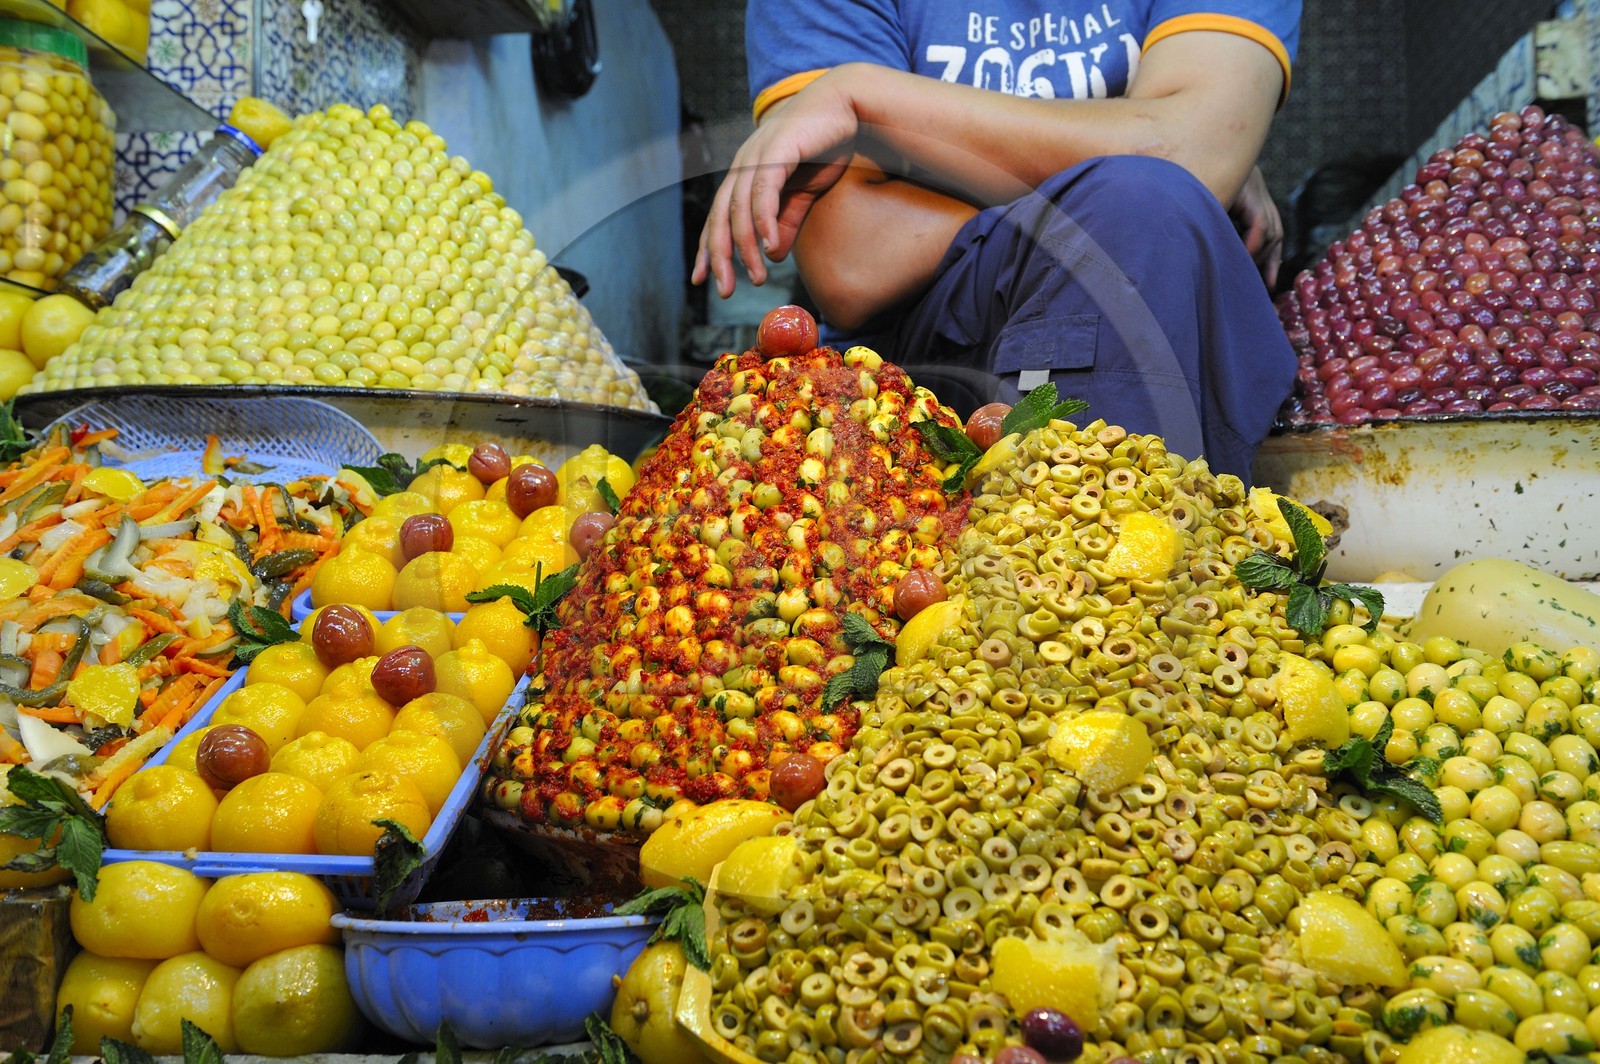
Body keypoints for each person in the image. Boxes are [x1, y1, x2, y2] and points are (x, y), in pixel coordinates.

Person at [692, 0, 1303, 480]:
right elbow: (854, 260)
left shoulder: (868, 98)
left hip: (1154, 344)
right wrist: (1125, 162)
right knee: (1138, 203)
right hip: (918, 376)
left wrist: (871, 101)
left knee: (1139, 211)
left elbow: (1190, 150)